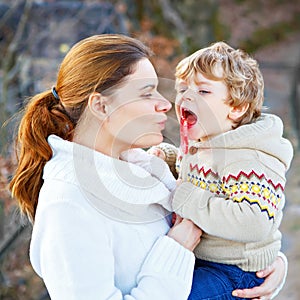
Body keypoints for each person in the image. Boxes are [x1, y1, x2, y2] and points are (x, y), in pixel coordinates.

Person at [9, 34, 286, 300]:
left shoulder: (143, 169)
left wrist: (267, 265)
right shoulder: (68, 205)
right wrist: (176, 250)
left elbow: (239, 218)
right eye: (146, 93)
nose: (166, 104)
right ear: (101, 106)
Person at [149, 41, 293, 299]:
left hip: (234, 271)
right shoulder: (207, 142)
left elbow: (253, 221)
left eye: (203, 91)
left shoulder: (249, 158)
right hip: (203, 259)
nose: (187, 96)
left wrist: (186, 197)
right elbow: (197, 176)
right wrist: (170, 160)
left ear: (236, 108)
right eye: (183, 88)